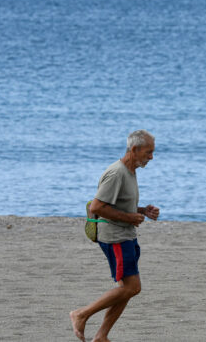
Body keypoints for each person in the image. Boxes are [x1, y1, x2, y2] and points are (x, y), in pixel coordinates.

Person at [70, 130, 160, 342]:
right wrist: (129, 218)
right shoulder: (116, 173)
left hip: (126, 235)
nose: (152, 157)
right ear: (134, 149)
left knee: (126, 289)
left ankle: (101, 336)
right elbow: (98, 206)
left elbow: (118, 204)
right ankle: (80, 314)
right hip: (115, 237)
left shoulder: (130, 171)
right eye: (148, 152)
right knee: (132, 287)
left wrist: (141, 211)